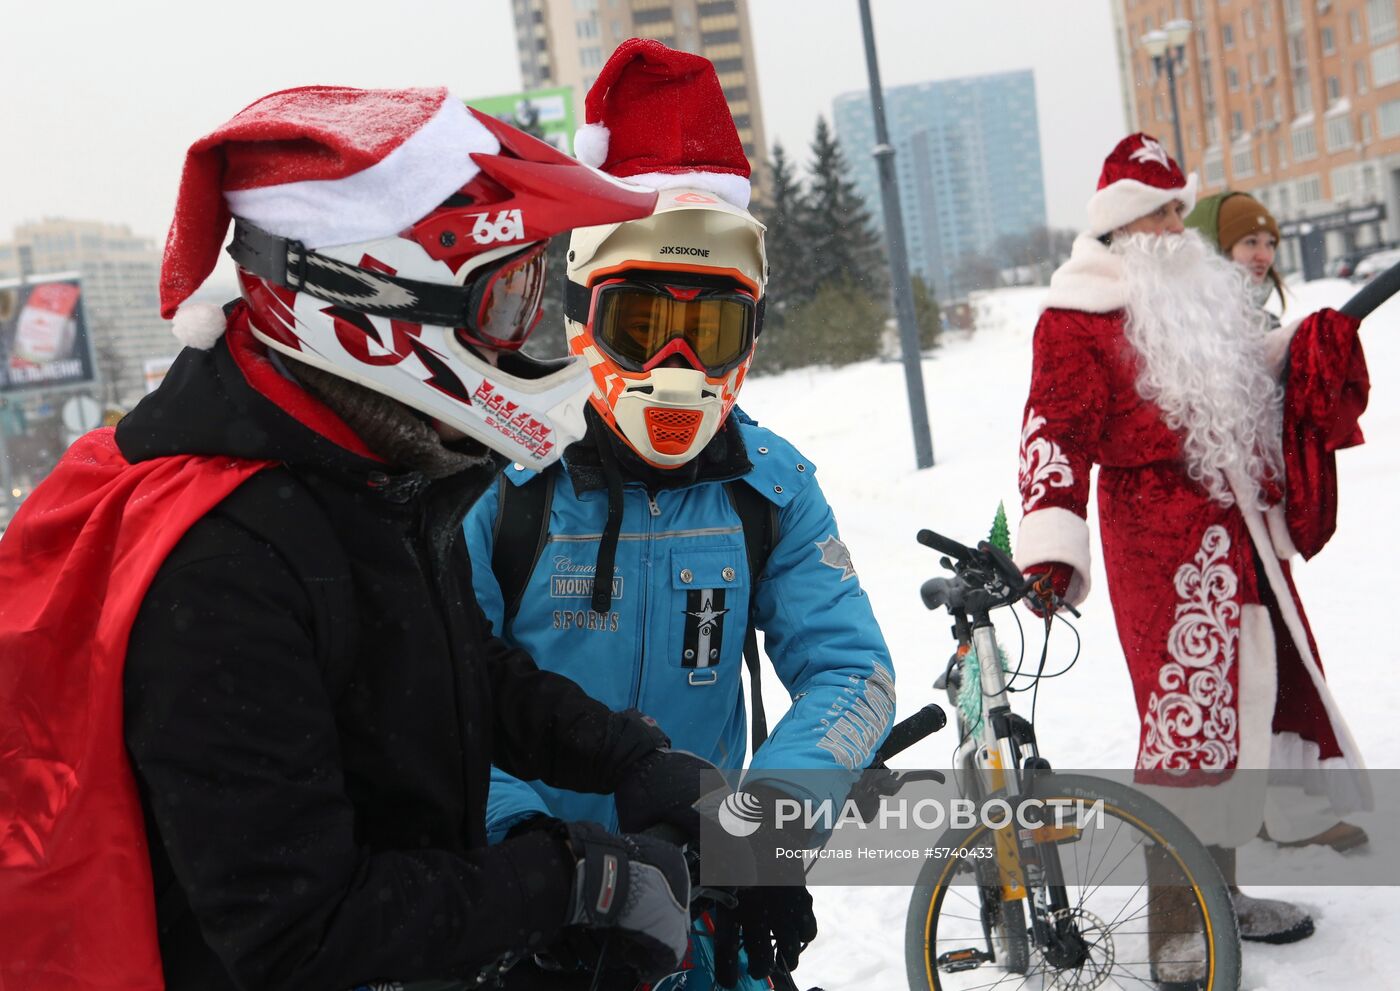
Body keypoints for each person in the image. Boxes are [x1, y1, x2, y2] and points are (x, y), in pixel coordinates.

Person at [0, 86, 725, 991]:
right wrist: (572, 881)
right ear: (371, 311)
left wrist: (621, 752)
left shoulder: (362, 466)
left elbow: (446, 664)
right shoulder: (223, 564)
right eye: (509, 304)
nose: (535, 340)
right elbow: (298, 933)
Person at [464, 40, 896, 990]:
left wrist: (762, 837)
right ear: (582, 314)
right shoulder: (501, 479)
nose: (674, 369)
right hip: (524, 913)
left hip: (700, 905)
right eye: (641, 324)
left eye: (707, 332)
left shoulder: (768, 486)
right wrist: (532, 858)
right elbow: (433, 697)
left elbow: (851, 669)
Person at [1013, 134, 1372, 970]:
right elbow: (1052, 431)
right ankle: (1177, 931)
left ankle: (1226, 894)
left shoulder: (1195, 300)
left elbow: (1247, 373)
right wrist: (1051, 544)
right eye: (1163, 212)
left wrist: (1309, 342)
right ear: (1124, 226)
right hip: (1158, 552)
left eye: (1181, 208)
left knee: (1244, 713)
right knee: (1186, 729)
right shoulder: (1076, 316)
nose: (1180, 227)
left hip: (1240, 539)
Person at [1186, 191, 1371, 854]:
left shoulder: (1250, 313)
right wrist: (1285, 347)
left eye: (1268, 242)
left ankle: (1286, 804)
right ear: (1213, 248)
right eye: (1247, 244)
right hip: (1212, 531)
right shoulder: (1193, 321)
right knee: (1247, 666)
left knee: (1280, 661)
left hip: (1253, 522)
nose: (1262, 255)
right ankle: (1257, 811)